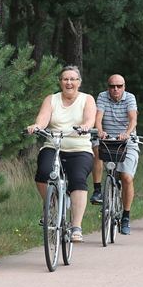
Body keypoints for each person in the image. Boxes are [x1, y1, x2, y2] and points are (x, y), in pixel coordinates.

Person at [26, 65, 96, 242]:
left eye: (73, 79)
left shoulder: (87, 99)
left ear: (79, 82)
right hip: (54, 145)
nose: (69, 82)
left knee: (78, 180)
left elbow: (89, 118)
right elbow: (43, 119)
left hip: (79, 148)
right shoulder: (51, 99)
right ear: (60, 82)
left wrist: (85, 126)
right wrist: (37, 126)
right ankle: (50, 206)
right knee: (43, 173)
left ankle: (76, 226)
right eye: (65, 79)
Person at [89, 74, 138, 235]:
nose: (115, 89)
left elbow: (133, 119)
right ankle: (97, 190)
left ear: (124, 86)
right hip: (106, 138)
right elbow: (98, 117)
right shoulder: (102, 97)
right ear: (107, 87)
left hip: (125, 141)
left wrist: (127, 133)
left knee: (126, 178)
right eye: (112, 86)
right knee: (96, 149)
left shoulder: (130, 98)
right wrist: (100, 131)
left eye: (119, 86)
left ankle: (125, 216)